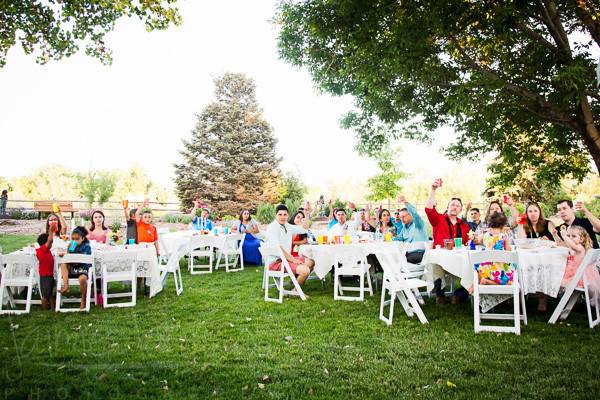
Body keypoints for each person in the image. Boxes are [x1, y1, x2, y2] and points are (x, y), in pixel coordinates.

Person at [425, 179, 470, 304]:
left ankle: (459, 295)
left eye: (457, 205)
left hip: (458, 259)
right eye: (452, 204)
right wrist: (433, 190)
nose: (454, 207)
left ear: (460, 210)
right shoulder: (439, 219)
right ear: (448, 207)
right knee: (435, 264)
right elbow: (429, 210)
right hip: (442, 259)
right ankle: (440, 295)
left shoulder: (464, 226)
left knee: (472, 266)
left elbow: (467, 243)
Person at [265, 204, 315, 295]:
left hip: (285, 259)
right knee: (305, 270)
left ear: (288, 215)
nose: (282, 217)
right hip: (275, 262)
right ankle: (296, 291)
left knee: (310, 262)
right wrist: (292, 259)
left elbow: (304, 229)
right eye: (280, 215)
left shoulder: (287, 225)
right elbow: (278, 248)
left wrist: (307, 214)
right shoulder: (272, 227)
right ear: (276, 215)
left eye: (285, 215)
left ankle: (296, 288)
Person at [560, 225, 600, 307]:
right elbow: (560, 244)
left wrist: (564, 236)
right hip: (577, 274)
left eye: (573, 236)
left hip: (579, 277)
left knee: (556, 278)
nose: (570, 238)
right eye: (569, 236)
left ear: (581, 239)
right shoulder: (575, 247)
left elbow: (572, 246)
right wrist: (555, 235)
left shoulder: (580, 248)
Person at [477, 212, 515, 286]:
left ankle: (485, 280)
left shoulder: (485, 235)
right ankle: (487, 282)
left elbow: (481, 243)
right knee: (509, 283)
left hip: (486, 268)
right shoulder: (504, 236)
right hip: (499, 267)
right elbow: (508, 251)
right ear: (502, 226)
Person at [59, 226, 92, 309]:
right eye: (73, 239)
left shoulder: (86, 246)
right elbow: (69, 258)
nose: (74, 241)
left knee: (82, 279)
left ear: (83, 238)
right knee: (63, 263)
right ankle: (66, 286)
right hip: (73, 268)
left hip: (82, 268)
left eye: (77, 239)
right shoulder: (71, 245)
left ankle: (83, 299)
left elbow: (81, 259)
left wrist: (72, 251)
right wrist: (66, 253)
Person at [396, 195, 429, 264]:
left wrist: (405, 202)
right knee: (392, 256)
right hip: (408, 252)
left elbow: (415, 214)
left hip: (419, 253)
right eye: (400, 217)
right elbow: (400, 238)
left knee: (397, 259)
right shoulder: (405, 227)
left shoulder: (418, 224)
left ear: (410, 215)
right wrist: (390, 237)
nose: (402, 219)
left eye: (403, 216)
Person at [36, 231, 56, 310]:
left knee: (50, 294)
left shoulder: (47, 251)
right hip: (45, 276)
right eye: (50, 243)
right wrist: (51, 230)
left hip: (49, 275)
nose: (51, 245)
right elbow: (50, 240)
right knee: (45, 295)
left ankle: (53, 308)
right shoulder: (43, 250)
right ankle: (44, 309)